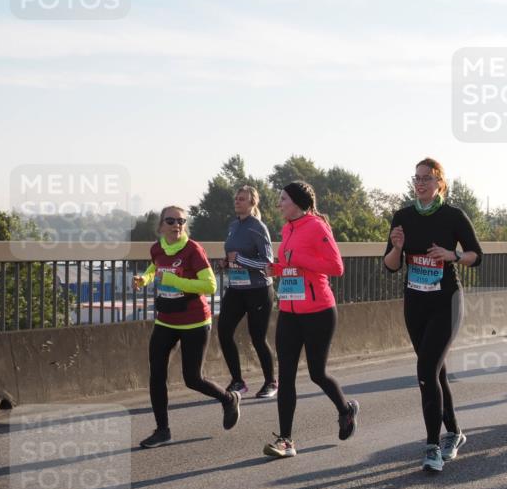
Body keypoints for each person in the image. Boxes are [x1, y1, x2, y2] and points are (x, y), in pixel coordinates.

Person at [383, 159, 483, 472]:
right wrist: (398, 247)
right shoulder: (403, 216)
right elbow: (390, 265)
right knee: (434, 371)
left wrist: (452, 254)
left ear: (440, 182)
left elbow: (476, 256)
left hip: (446, 302)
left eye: (427, 178)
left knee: (426, 369)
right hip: (415, 302)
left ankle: (432, 447)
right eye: (417, 178)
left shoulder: (453, 215)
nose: (421, 183)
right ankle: (454, 432)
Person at [263, 182, 360, 458]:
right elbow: (292, 265)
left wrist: (302, 259)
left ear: (295, 202)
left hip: (319, 312)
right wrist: (278, 268)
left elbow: (336, 267)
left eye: (282, 199)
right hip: (290, 314)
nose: (279, 203)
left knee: (317, 373)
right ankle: (286, 440)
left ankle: (346, 410)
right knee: (286, 376)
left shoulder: (317, 227)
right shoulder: (286, 228)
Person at [136, 207, 242, 448]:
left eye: (181, 221)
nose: (177, 225)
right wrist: (145, 278)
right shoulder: (157, 248)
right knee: (156, 375)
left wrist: (174, 280)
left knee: (192, 379)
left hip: (195, 321)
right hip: (165, 319)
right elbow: (156, 268)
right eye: (171, 220)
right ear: (161, 226)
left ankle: (228, 399)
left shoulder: (193, 250)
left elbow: (210, 285)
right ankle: (162, 430)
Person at [218, 185, 277, 399]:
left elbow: (267, 263)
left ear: (253, 203)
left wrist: (240, 260)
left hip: (259, 290)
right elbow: (233, 255)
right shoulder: (234, 225)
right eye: (236, 198)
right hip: (236, 288)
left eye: (242, 199)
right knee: (224, 331)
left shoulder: (258, 227)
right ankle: (238, 381)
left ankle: (271, 382)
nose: (237, 202)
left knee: (258, 337)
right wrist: (225, 263)